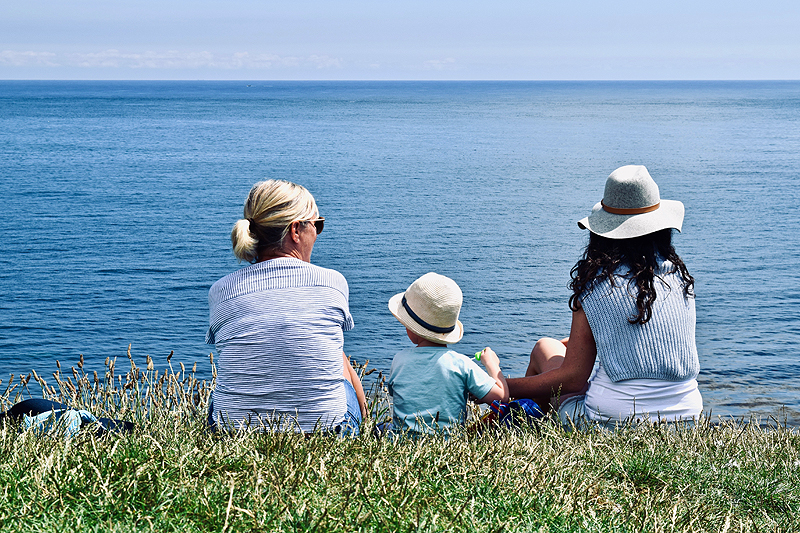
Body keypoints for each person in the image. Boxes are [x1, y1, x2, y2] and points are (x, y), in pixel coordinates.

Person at [507, 165, 702, 427]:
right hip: (685, 421)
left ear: (603, 232)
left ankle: (527, 425)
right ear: (661, 228)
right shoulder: (679, 278)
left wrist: (502, 386)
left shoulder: (597, 284)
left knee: (544, 348)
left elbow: (575, 378)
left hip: (608, 423)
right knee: (558, 348)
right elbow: (648, 336)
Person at [206, 179, 366, 433]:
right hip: (325, 431)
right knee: (337, 359)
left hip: (230, 432)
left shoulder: (221, 290)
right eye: (317, 225)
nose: (317, 233)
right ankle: (362, 427)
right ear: (295, 230)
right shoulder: (332, 282)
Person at [387, 272, 509, 434]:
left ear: (412, 329)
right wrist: (492, 364)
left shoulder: (399, 360)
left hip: (401, 445)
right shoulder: (461, 364)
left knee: (382, 428)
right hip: (450, 446)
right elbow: (502, 397)